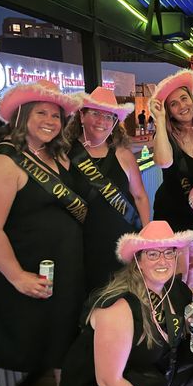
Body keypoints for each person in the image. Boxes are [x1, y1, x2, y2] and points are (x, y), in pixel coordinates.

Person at [0, 79, 86, 386]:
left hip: (67, 266)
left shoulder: (55, 156)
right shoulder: (2, 163)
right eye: (42, 113)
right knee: (55, 340)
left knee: (66, 337)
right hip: (35, 267)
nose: (51, 121)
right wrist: (17, 276)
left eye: (56, 116)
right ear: (21, 116)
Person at [60, 221, 193, 386]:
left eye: (168, 252)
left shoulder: (174, 289)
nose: (163, 261)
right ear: (138, 260)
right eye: (152, 254)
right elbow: (109, 381)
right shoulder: (119, 307)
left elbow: (180, 315)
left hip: (143, 372)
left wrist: (190, 322)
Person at [65, 86, 150, 294]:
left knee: (125, 301)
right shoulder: (65, 154)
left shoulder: (123, 155)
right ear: (81, 116)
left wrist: (146, 240)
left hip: (122, 245)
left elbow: (140, 197)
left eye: (109, 116)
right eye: (95, 113)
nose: (102, 121)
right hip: (82, 246)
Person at [150, 69, 193, 288]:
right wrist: (159, 120)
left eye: (184, 98)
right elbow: (163, 162)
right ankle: (173, 315)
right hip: (173, 214)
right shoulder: (166, 136)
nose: (181, 106)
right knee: (177, 272)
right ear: (169, 111)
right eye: (173, 104)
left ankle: (189, 308)